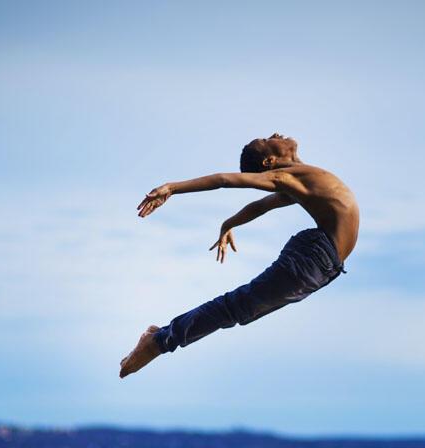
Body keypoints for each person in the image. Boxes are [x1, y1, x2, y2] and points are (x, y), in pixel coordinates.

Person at [119, 133, 359, 379]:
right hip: (315, 257)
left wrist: (228, 224)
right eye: (266, 140)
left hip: (325, 265)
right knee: (236, 308)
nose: (274, 134)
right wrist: (172, 188)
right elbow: (224, 180)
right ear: (269, 161)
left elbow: (261, 206)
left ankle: (161, 338)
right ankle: (159, 341)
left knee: (244, 312)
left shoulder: (302, 179)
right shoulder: (285, 176)